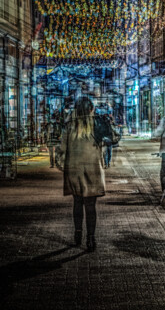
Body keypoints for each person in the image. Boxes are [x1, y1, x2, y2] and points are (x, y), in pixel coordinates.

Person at [59, 96, 105, 252]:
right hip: (92, 171)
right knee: (90, 206)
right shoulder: (97, 125)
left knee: (77, 203)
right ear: (91, 109)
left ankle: (77, 234)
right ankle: (90, 239)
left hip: (74, 170)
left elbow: (63, 149)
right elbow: (114, 137)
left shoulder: (69, 126)